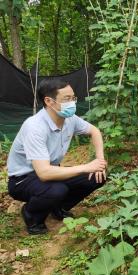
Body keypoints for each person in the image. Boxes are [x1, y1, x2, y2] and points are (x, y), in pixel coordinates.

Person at [7, 79, 107, 235]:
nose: (72, 103)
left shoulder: (69, 119)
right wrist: (86, 166)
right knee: (57, 189)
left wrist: (99, 161)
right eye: (66, 99)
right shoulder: (35, 127)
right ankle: (31, 215)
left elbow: (94, 131)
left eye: (73, 98)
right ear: (49, 101)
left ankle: (58, 207)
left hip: (50, 171)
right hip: (22, 179)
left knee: (96, 176)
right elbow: (44, 173)